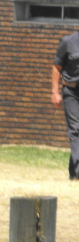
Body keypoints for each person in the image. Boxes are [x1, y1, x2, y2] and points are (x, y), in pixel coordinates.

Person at [52, 30, 79, 179]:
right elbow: (57, 67)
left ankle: (74, 173)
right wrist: (55, 92)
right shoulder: (68, 41)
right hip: (72, 92)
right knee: (75, 130)